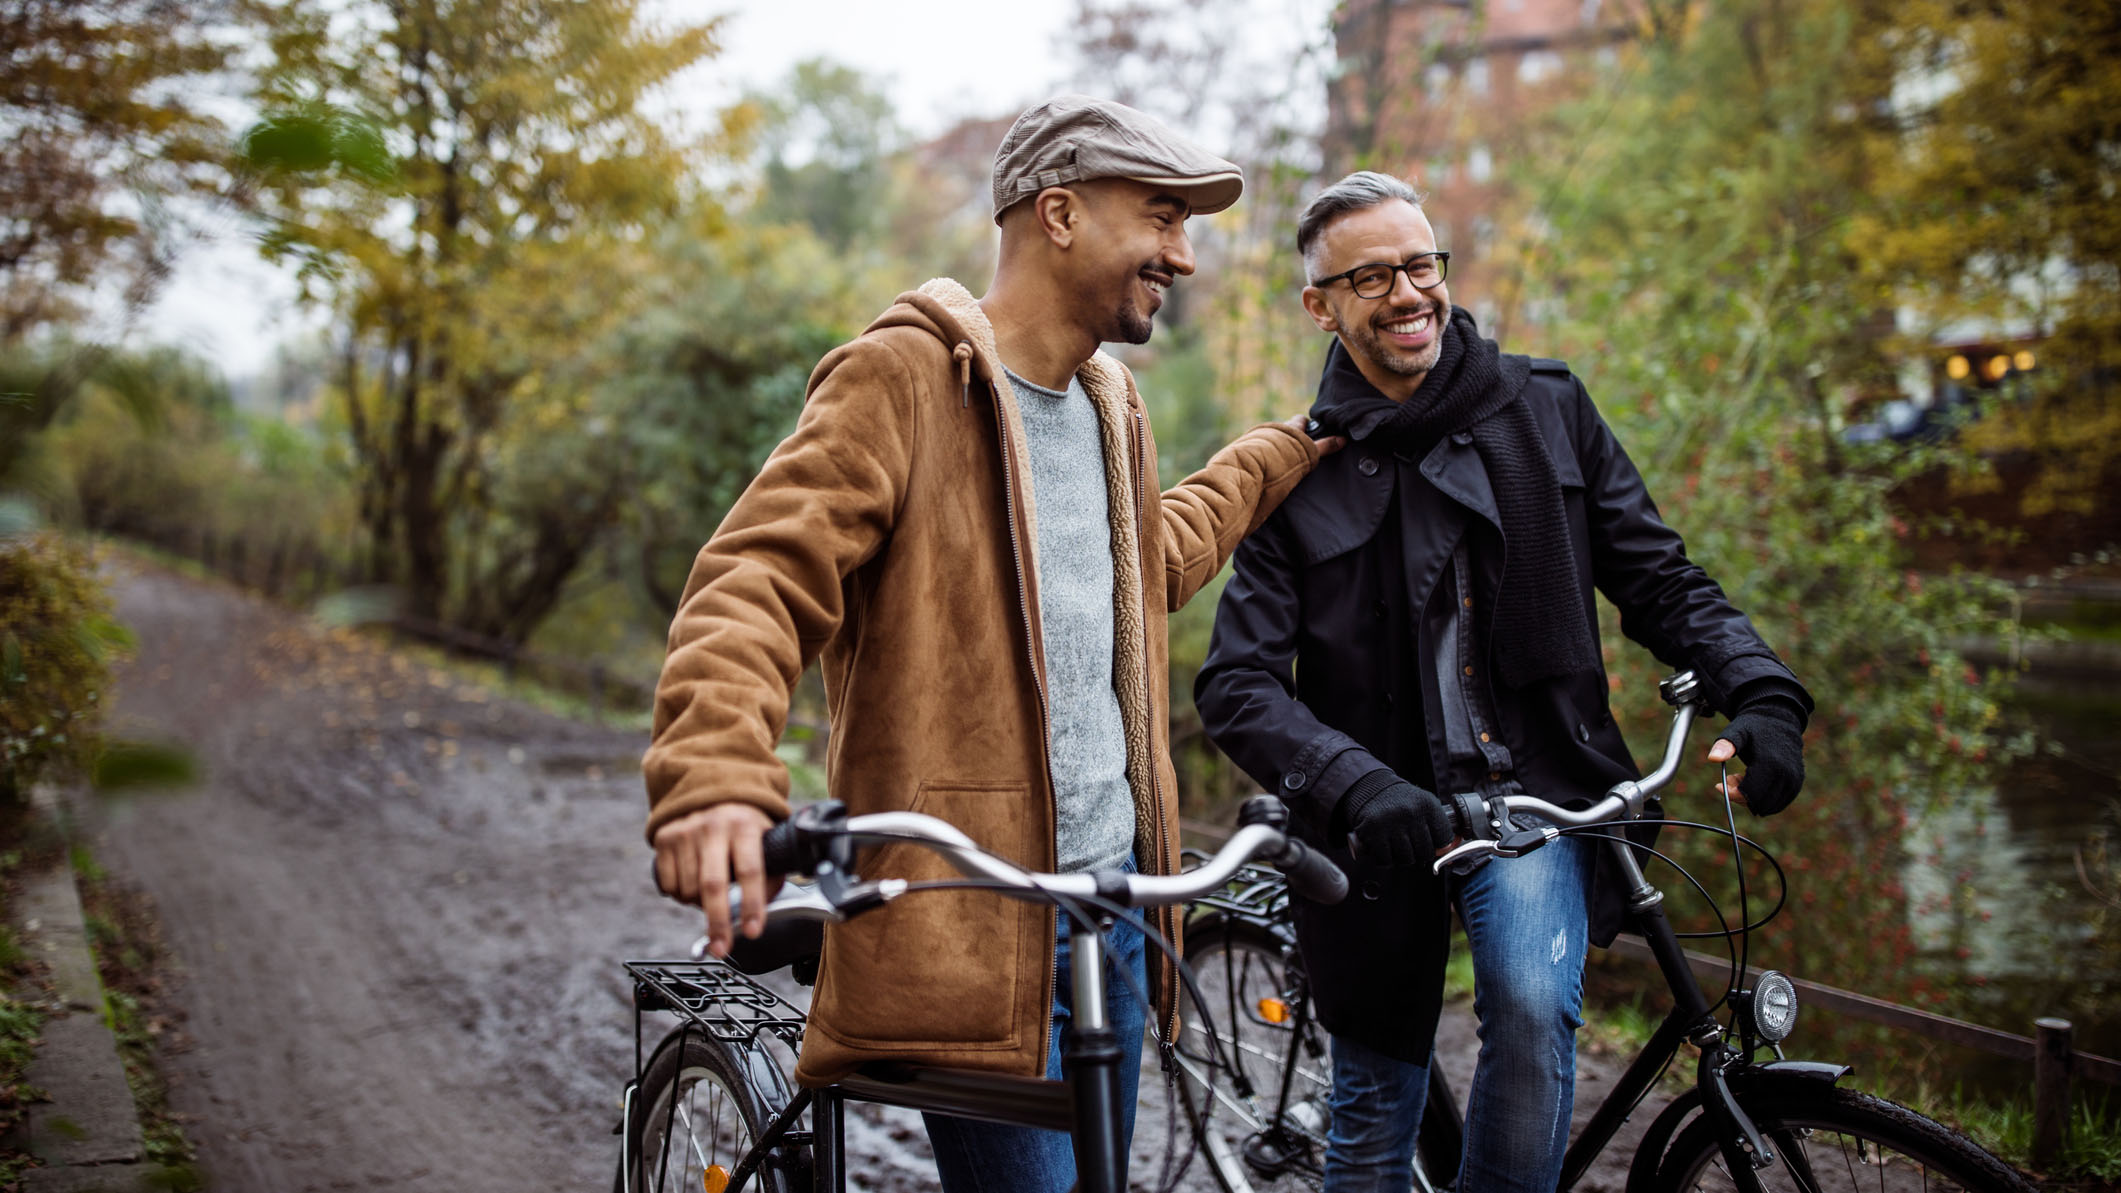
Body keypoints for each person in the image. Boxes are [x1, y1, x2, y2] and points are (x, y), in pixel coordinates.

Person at [641, 95, 1339, 1192]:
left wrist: (1286, 449)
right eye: (1162, 217)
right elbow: (757, 576)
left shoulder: (1113, 407)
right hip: (967, 920)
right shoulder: (905, 380)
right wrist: (715, 775)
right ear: (1058, 212)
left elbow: (1140, 562)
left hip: (1113, 912)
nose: (1184, 256)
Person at [1193, 171, 1812, 1193]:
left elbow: (1657, 577)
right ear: (1322, 304)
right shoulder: (1297, 470)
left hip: (1533, 789)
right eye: (1373, 274)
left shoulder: (1548, 409)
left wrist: (1765, 690)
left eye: (1421, 263)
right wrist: (1352, 782)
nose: (1408, 292)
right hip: (1374, 822)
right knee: (1371, 1113)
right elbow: (1238, 684)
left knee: (1530, 1004)